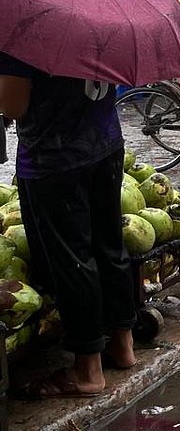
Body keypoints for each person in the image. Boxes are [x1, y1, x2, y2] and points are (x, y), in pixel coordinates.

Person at [0, 55, 137, 397]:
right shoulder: (95, 21)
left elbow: (14, 106)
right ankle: (123, 345)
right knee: (109, 243)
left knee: (71, 259)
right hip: (105, 142)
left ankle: (87, 369)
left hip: (55, 157)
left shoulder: (25, 34)